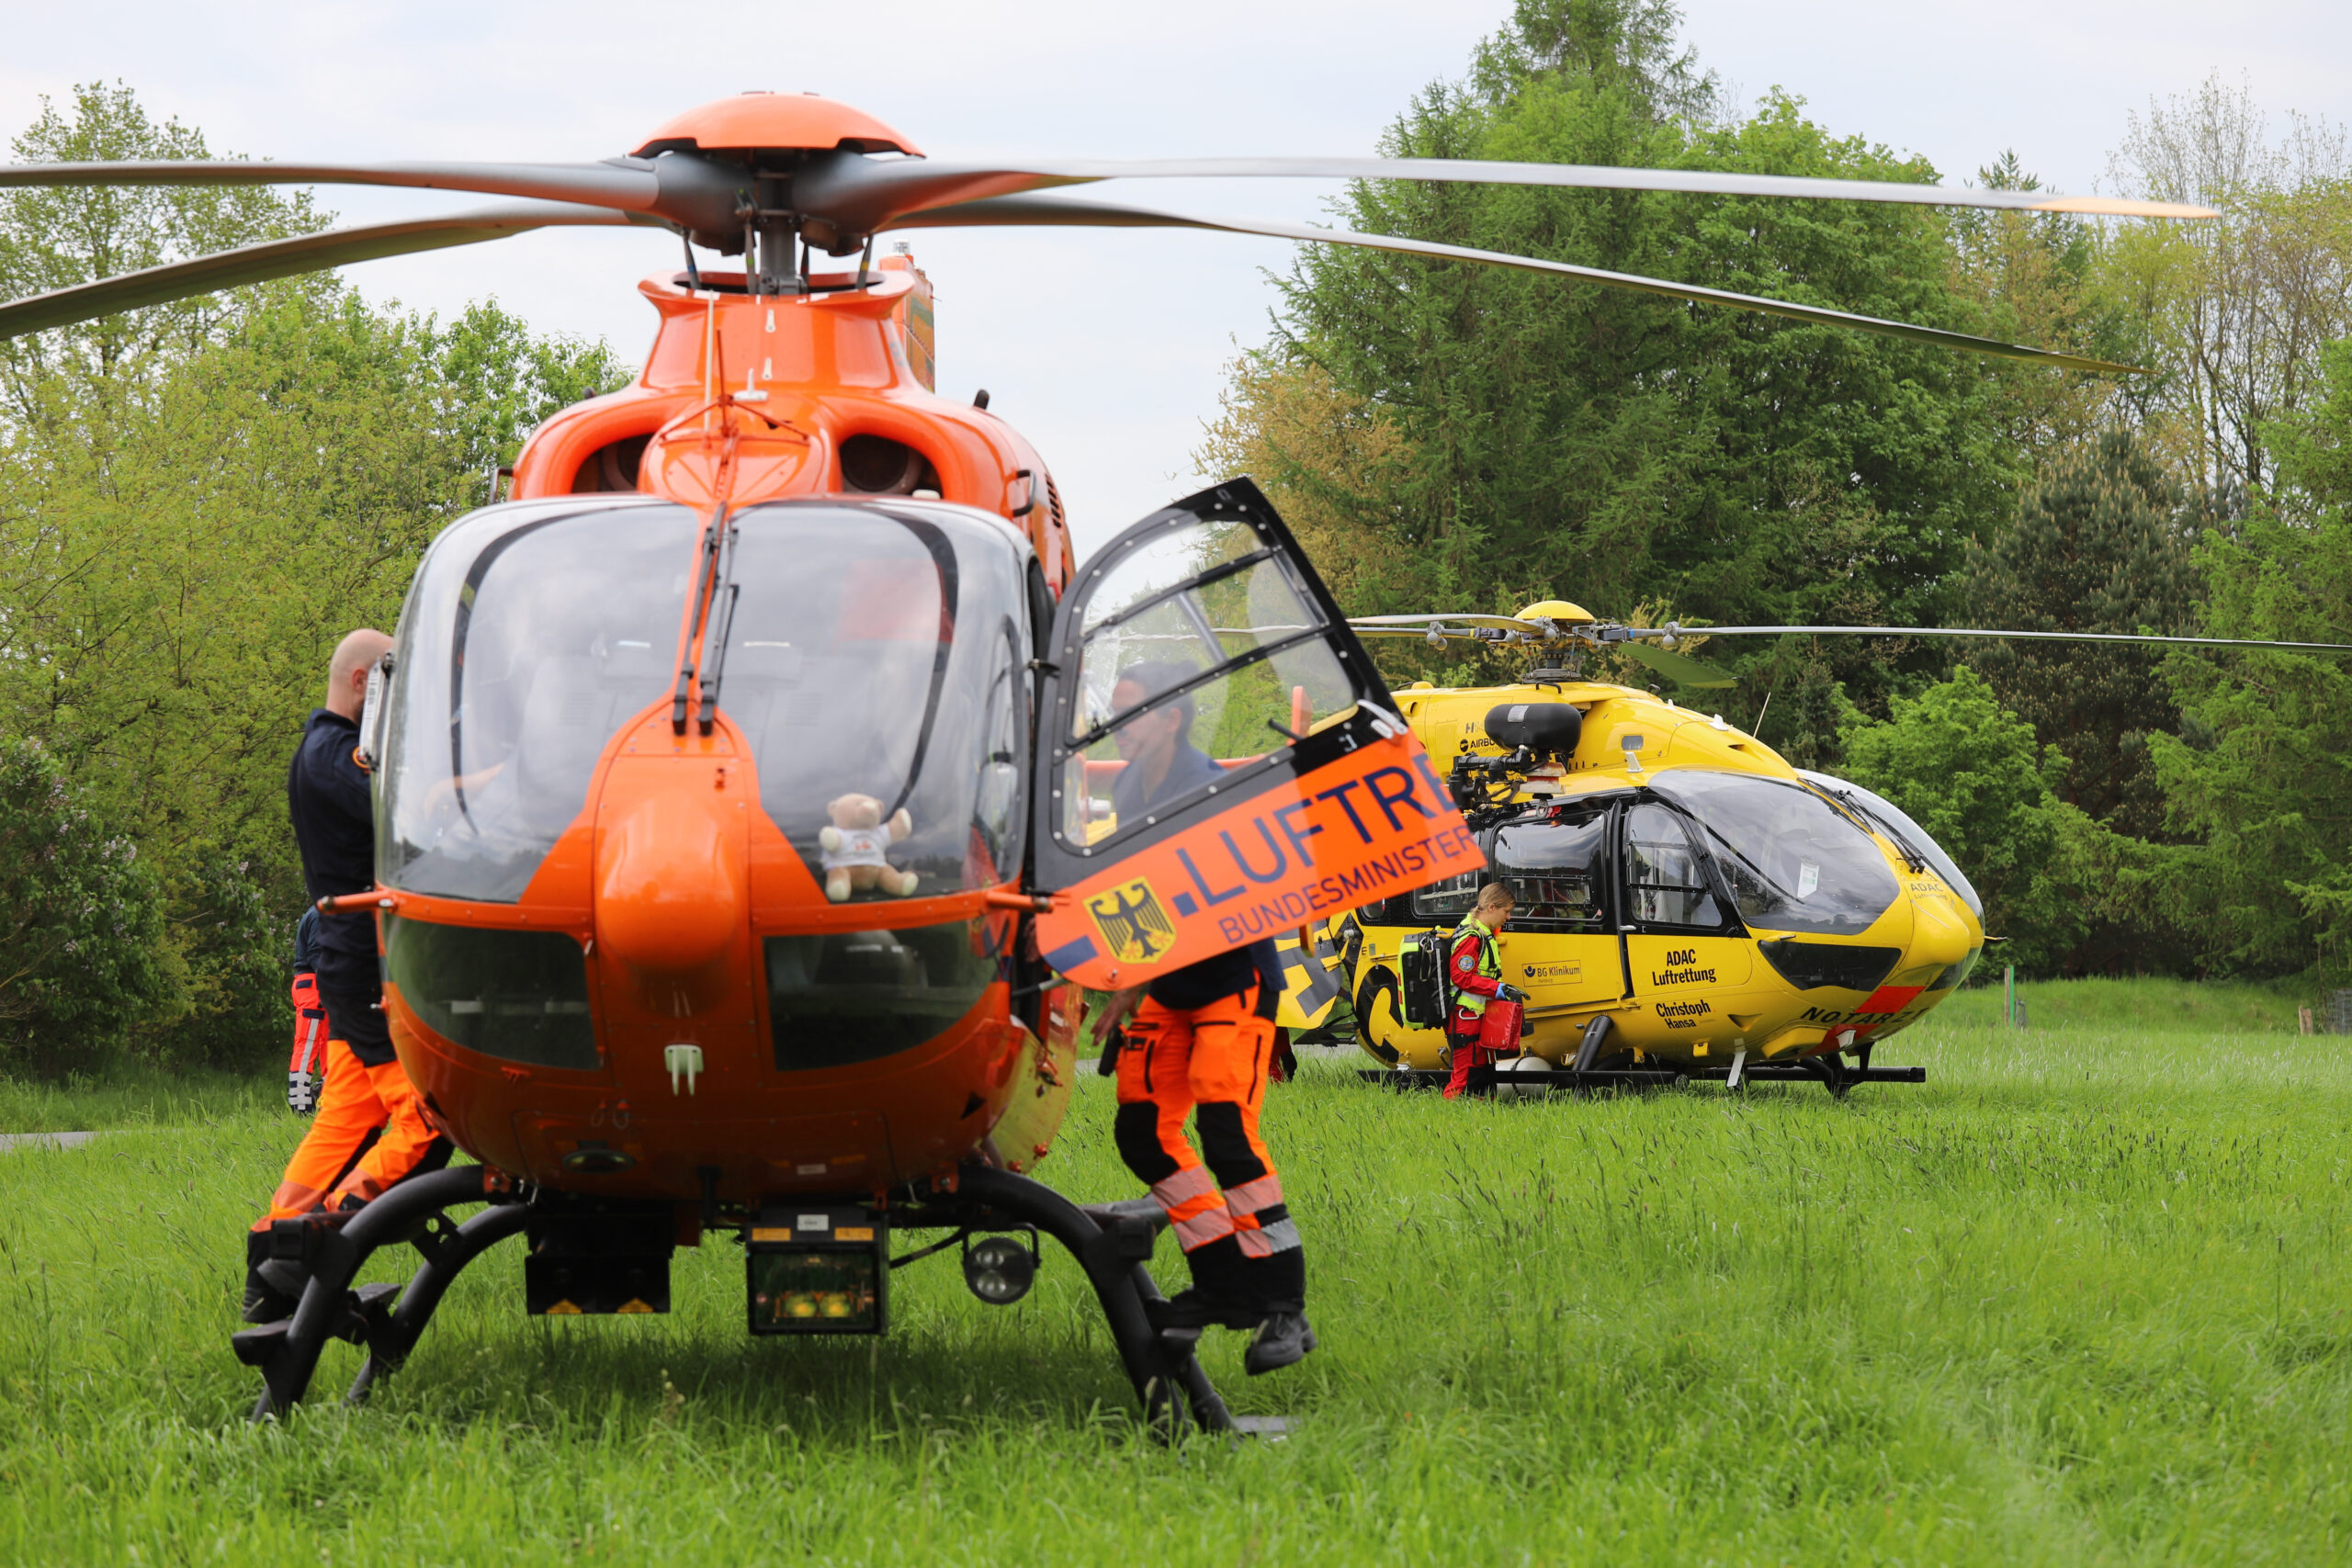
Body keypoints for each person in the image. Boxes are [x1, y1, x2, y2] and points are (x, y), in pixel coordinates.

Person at [1088, 660, 1314, 1374]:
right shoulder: (1128, 785)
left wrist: (1137, 978)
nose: (1119, 728)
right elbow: (1139, 892)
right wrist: (1124, 979)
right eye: (1116, 714)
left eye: (1130, 715)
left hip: (1232, 981)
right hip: (1169, 983)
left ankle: (1284, 1306)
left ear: (1171, 718)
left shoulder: (1208, 789)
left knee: (1226, 1130)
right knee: (1142, 1131)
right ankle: (1223, 1284)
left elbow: (1203, 901)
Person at [243, 628, 452, 1324]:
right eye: (395, 688)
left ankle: (270, 1258)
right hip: (360, 961)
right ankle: (318, 1241)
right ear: (366, 682)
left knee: (345, 1115)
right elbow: (410, 812)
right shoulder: (332, 756)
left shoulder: (335, 754)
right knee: (426, 1114)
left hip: (350, 961)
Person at [1443, 882, 1529, 1100]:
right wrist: (1495, 988)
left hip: (1477, 1016)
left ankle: (1480, 1117)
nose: (1508, 917)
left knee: (1483, 1075)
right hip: (1465, 1017)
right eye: (1506, 911)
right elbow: (1461, 976)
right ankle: (1446, 1117)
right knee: (1464, 1078)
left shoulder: (1482, 932)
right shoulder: (1472, 937)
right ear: (1491, 907)